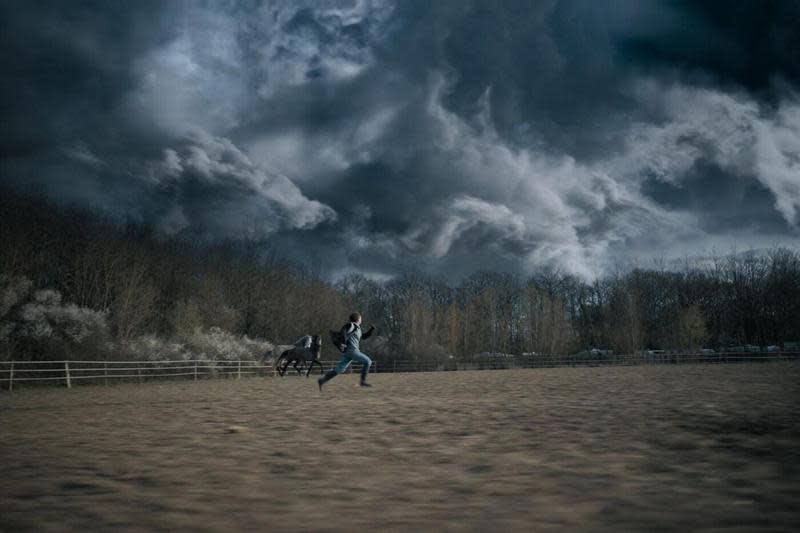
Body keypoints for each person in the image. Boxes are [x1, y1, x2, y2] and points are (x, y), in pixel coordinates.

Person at [318, 312, 376, 389]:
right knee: (368, 361)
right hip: (352, 351)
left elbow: (364, 337)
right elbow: (343, 332)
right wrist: (343, 342)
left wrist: (371, 330)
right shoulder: (350, 325)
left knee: (339, 369)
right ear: (358, 319)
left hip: (349, 352)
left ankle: (322, 380)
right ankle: (363, 382)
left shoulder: (358, 329)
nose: (361, 319)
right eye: (361, 318)